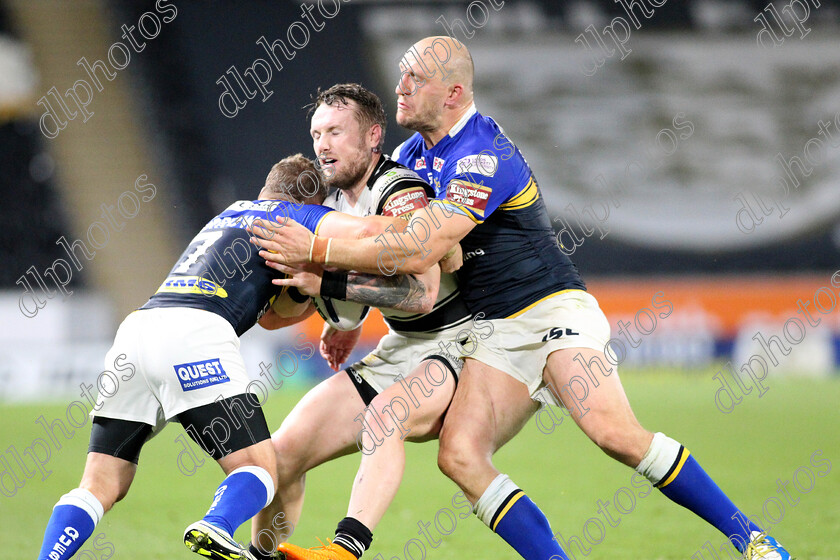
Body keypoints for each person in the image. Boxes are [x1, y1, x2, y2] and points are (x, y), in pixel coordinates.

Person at [250, 38, 793, 560]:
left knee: (615, 434)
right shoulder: (414, 154)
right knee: (460, 457)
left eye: (414, 78)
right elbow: (409, 248)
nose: (401, 87)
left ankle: (755, 541)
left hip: (549, 308)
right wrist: (351, 314)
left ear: (454, 94)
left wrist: (317, 250)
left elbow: (422, 248)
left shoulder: (482, 153)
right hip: (491, 329)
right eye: (400, 76)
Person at [34, 154, 394, 560]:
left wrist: (308, 289)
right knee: (259, 468)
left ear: (267, 188)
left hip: (138, 330)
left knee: (100, 483)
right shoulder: (295, 217)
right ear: (311, 204)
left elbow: (274, 317)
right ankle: (216, 525)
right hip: (195, 334)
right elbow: (367, 230)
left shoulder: (233, 213)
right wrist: (416, 225)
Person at [245, 84, 474, 560]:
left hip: (456, 343)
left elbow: (422, 292)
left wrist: (326, 288)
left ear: (373, 136)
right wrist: (343, 318)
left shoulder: (400, 191)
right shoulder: (331, 204)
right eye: (316, 135)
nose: (322, 145)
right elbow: (362, 270)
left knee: (383, 418)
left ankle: (345, 551)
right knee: (279, 458)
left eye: (335, 132)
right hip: (402, 346)